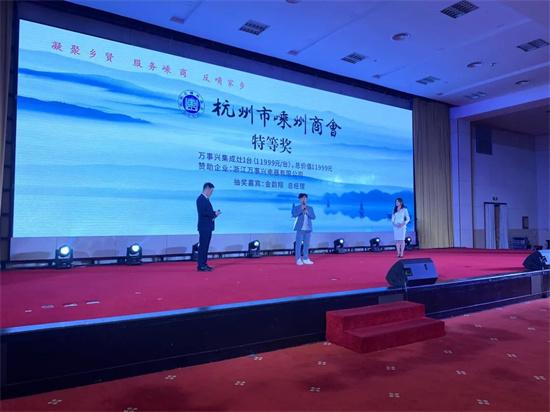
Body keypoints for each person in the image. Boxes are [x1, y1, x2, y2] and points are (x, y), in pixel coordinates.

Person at [196, 182, 221, 271]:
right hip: (204, 227)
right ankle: (201, 265)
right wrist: (214, 214)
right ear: (207, 188)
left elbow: (207, 212)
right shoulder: (201, 199)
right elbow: (204, 213)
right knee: (203, 246)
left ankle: (204, 264)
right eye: (211, 190)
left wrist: (214, 213)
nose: (211, 193)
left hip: (207, 226)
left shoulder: (206, 199)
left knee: (205, 246)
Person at [292, 193, 316, 265]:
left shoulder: (310, 208)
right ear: (299, 199)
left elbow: (313, 217)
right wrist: (301, 209)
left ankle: (306, 258)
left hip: (308, 229)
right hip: (300, 229)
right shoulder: (296, 207)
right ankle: (298, 259)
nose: (304, 199)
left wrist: (307, 213)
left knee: (306, 244)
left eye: (305, 198)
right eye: (302, 198)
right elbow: (294, 214)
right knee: (298, 245)